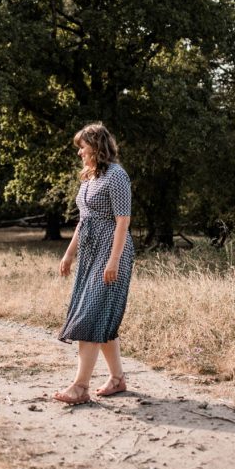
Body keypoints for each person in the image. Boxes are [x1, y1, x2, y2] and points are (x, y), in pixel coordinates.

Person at [54, 122, 135, 405]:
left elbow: (123, 221)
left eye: (82, 146)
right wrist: (69, 253)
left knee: (89, 316)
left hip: (111, 251)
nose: (79, 153)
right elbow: (83, 220)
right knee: (99, 316)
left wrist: (113, 260)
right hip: (90, 253)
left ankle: (79, 387)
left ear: (96, 146)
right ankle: (117, 378)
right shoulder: (89, 177)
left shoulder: (116, 176)